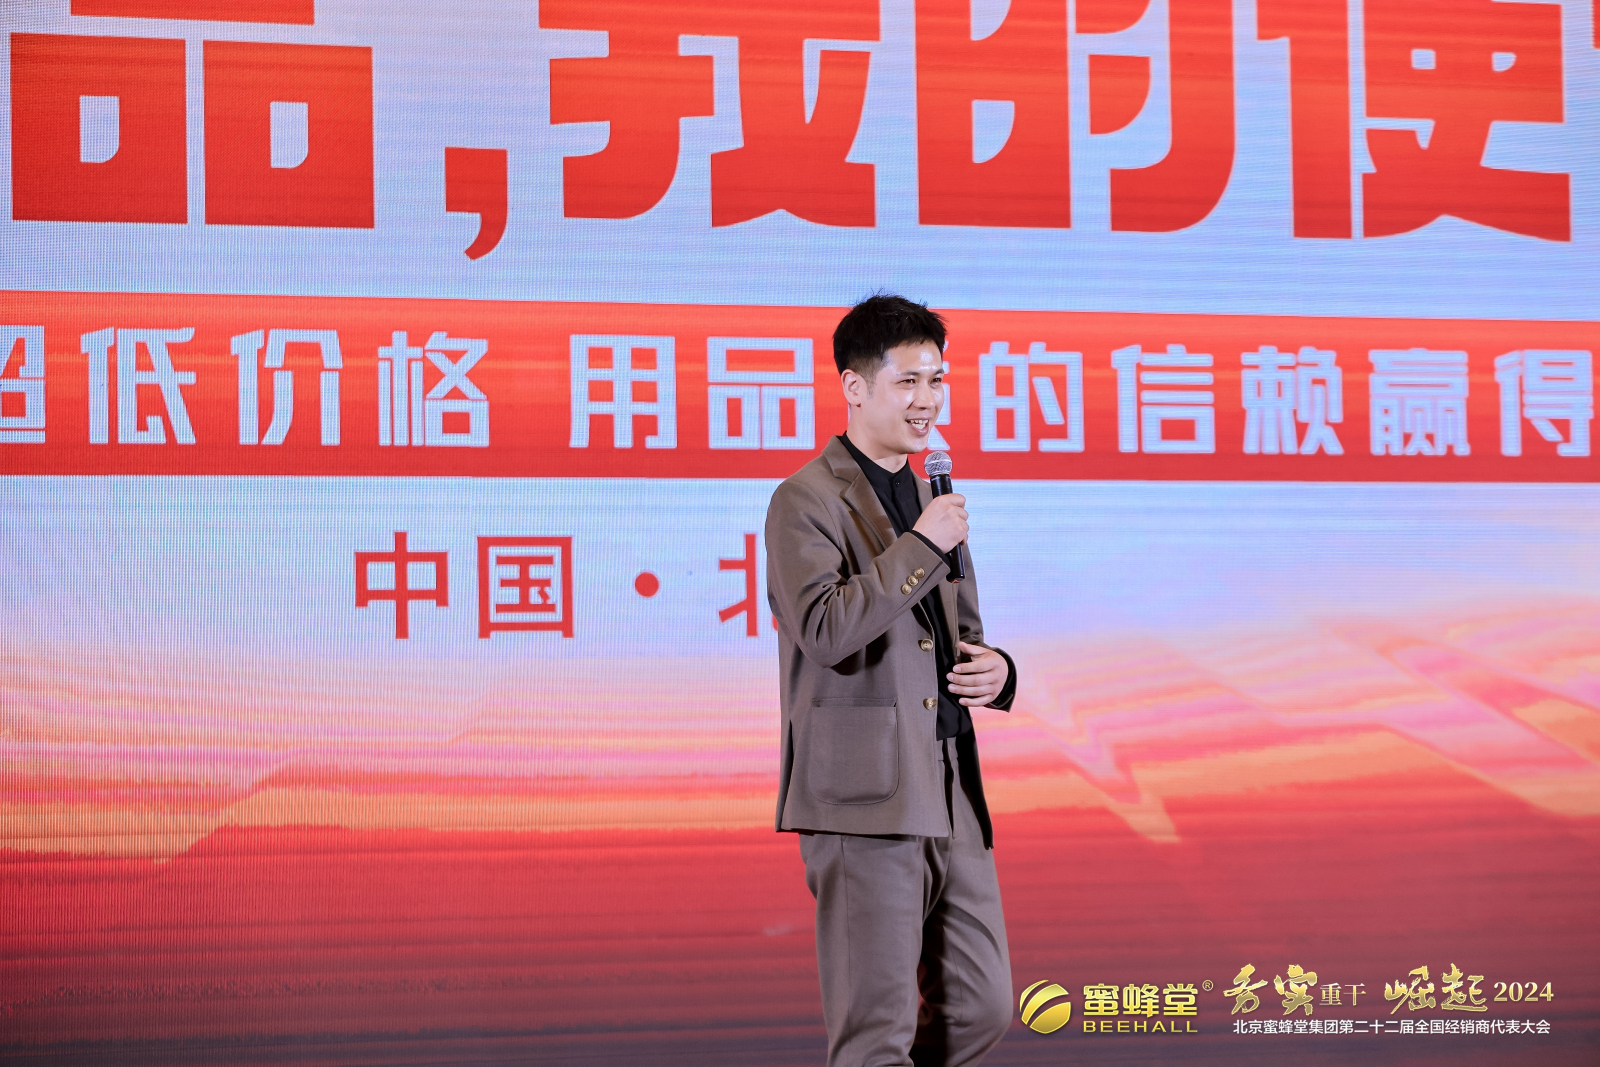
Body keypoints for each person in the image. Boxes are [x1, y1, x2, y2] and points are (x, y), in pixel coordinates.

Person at [764, 294, 1018, 1066]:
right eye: (907, 381)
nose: (927, 400)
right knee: (876, 1034)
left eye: (937, 380)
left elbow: (959, 628)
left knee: (983, 1006)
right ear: (854, 386)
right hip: (865, 796)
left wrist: (998, 670)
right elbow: (825, 630)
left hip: (948, 784)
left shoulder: (934, 493)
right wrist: (920, 544)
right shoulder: (805, 498)